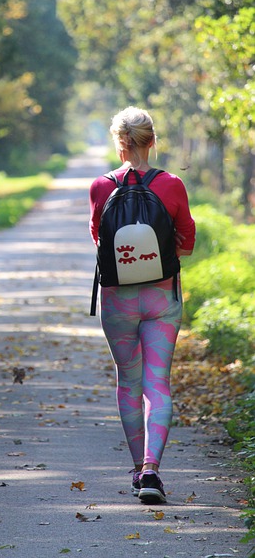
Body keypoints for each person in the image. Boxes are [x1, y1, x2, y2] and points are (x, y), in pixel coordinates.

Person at [89, 106, 196, 505]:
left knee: (128, 382)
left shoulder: (101, 186)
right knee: (157, 384)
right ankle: (153, 469)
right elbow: (187, 239)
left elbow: (99, 240)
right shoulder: (172, 184)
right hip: (161, 298)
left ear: (119, 143)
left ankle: (138, 468)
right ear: (152, 141)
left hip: (117, 300)